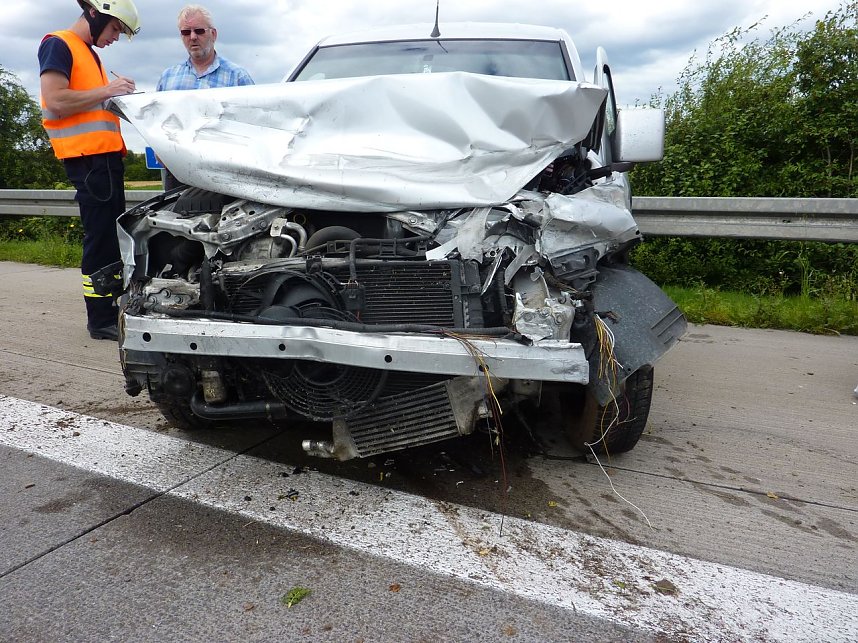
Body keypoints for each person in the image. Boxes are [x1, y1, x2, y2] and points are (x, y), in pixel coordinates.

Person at [39, 0, 141, 341]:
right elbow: (55, 101)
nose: (114, 37)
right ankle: (100, 319)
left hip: (105, 159)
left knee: (112, 239)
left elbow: (88, 105)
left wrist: (116, 100)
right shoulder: (58, 43)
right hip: (87, 160)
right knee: (100, 240)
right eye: (115, 29)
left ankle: (112, 308)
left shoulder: (89, 53)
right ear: (96, 14)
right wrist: (107, 90)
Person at [156, 4, 254, 191]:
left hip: (224, 175)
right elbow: (158, 122)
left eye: (199, 31)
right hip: (178, 174)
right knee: (175, 219)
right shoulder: (168, 78)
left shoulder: (237, 76)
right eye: (186, 32)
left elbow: (255, 126)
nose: (193, 37)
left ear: (213, 34)